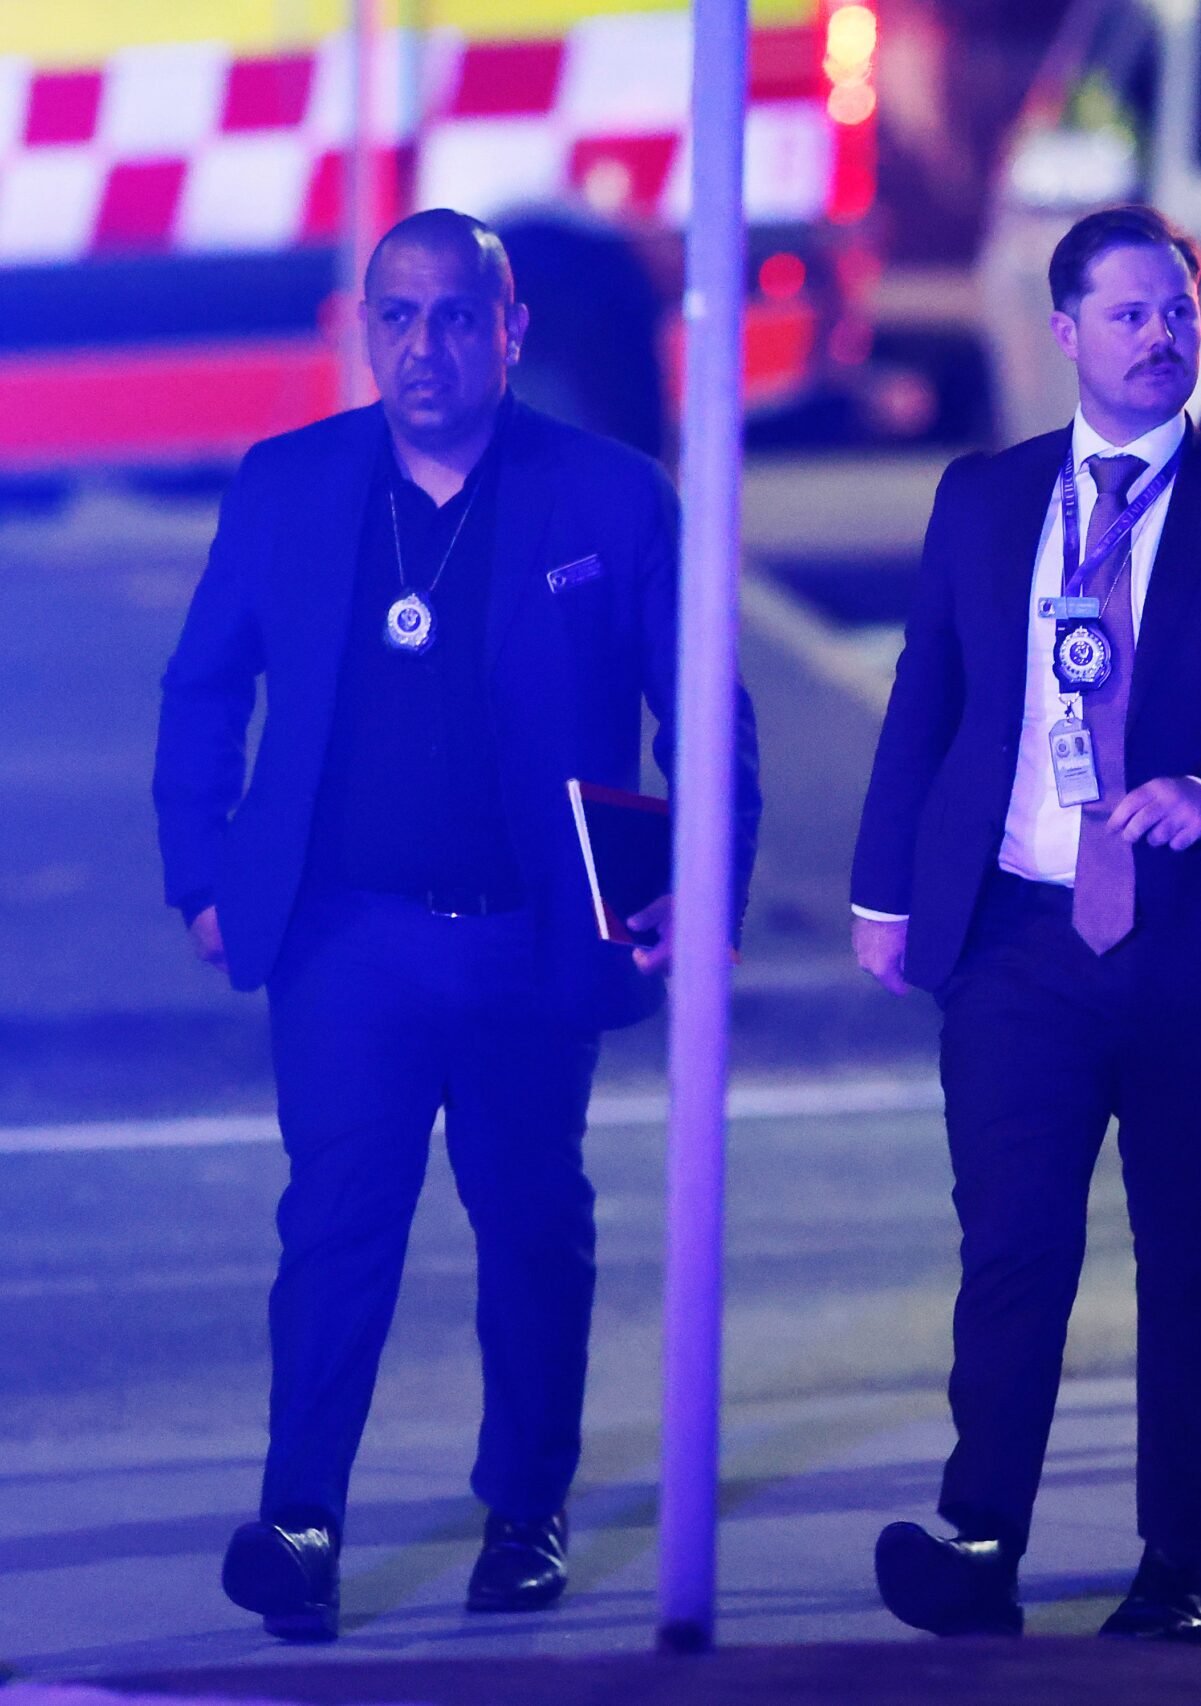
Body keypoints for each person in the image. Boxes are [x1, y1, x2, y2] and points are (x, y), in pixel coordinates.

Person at [152, 209, 760, 1641]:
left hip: (531, 937)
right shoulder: (292, 484)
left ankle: (525, 1511)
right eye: (396, 318)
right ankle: (301, 1518)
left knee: (534, 1228)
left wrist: (702, 881)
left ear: (510, 329)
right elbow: (201, 685)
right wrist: (200, 874)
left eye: (451, 317)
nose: (422, 347)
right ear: (368, 330)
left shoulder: (609, 499)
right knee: (336, 1231)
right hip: (344, 940)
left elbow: (704, 705)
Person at [849, 205, 1201, 1646]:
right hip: (1019, 938)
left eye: (1179, 312)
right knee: (1011, 1246)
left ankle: (1183, 1562)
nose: (1160, 336)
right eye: (1128, 313)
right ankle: (982, 1538)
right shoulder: (987, 499)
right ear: (1065, 330)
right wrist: (888, 896)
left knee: (1195, 1258)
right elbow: (926, 702)